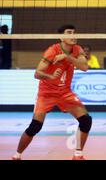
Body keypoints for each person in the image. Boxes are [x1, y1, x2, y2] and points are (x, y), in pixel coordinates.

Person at [11, 25, 91, 160]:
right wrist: (51, 76)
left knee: (86, 120)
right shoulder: (52, 51)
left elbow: (84, 67)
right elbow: (37, 73)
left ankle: (78, 155)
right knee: (35, 127)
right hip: (46, 93)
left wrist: (66, 57)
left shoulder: (77, 49)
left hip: (65, 93)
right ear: (61, 37)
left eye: (74, 33)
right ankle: (17, 155)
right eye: (69, 33)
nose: (73, 35)